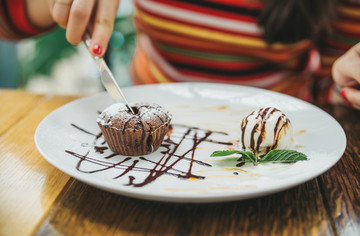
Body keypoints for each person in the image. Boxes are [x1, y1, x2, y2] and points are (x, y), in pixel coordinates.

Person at [1, 0, 359, 109]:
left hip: (277, 142)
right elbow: (9, 20)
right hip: (146, 154)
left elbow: (338, 80)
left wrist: (348, 86)